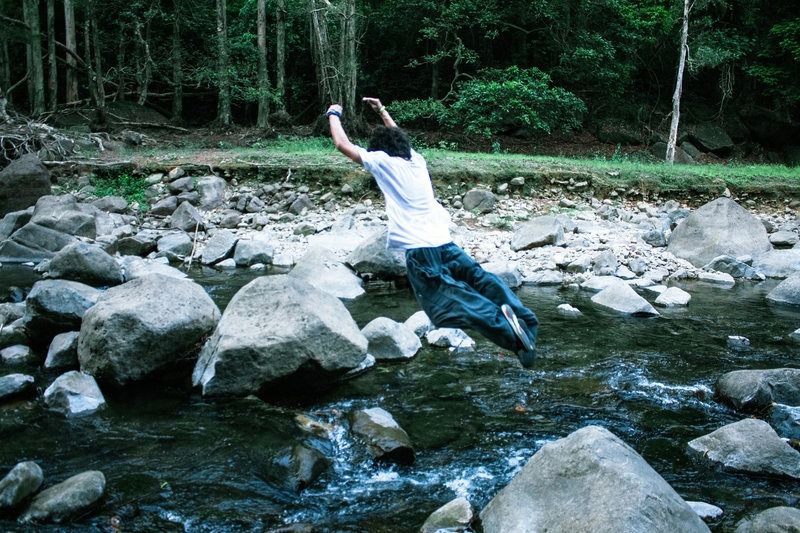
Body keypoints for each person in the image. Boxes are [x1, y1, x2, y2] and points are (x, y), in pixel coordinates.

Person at [326, 97, 538, 368]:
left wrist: (334, 113)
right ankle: (526, 322)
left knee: (452, 301)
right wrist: (381, 111)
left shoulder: (382, 161)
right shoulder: (417, 161)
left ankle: (514, 338)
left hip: (421, 252)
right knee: (481, 280)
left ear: (380, 149)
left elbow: (342, 145)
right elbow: (399, 136)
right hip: (445, 243)